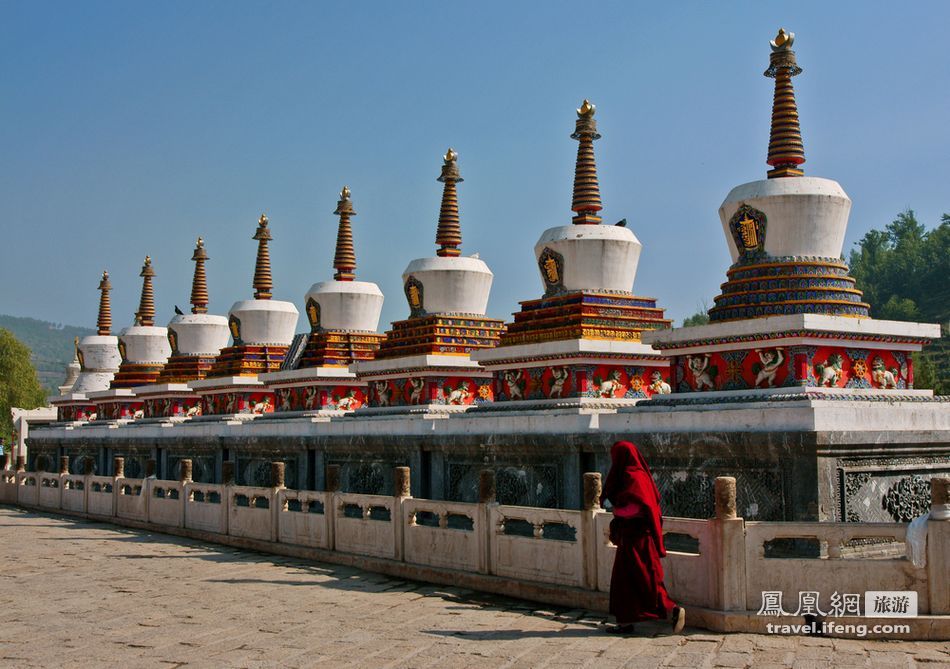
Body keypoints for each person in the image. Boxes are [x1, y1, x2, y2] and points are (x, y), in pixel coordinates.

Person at [601, 440, 685, 634]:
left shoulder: (633, 477)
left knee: (643, 579)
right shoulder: (637, 475)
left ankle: (672, 609)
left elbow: (636, 508)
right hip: (634, 537)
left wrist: (615, 510)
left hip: (636, 538)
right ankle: (625, 621)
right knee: (633, 580)